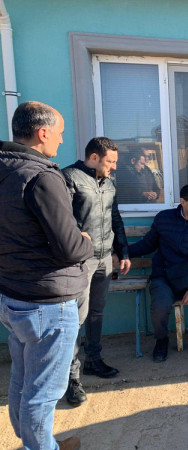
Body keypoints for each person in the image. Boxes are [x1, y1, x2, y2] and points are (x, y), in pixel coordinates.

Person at [0, 101, 94, 450]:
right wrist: (86, 241)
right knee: (44, 392)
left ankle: (35, 443)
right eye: (60, 133)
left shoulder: (6, 170)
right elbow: (70, 246)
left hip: (13, 295)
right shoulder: (41, 176)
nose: (61, 140)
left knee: (23, 380)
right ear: (42, 133)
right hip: (47, 303)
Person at [62, 137, 131, 406]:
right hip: (80, 262)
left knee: (97, 312)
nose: (114, 167)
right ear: (94, 157)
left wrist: (123, 252)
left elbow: (115, 218)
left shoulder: (109, 183)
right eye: (110, 161)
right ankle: (72, 378)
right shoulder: (69, 178)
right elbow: (61, 220)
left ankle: (93, 359)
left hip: (105, 258)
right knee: (75, 319)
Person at [128, 184, 188, 362]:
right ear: (183, 201)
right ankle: (161, 340)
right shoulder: (164, 219)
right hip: (164, 277)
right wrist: (124, 253)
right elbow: (148, 244)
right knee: (160, 306)